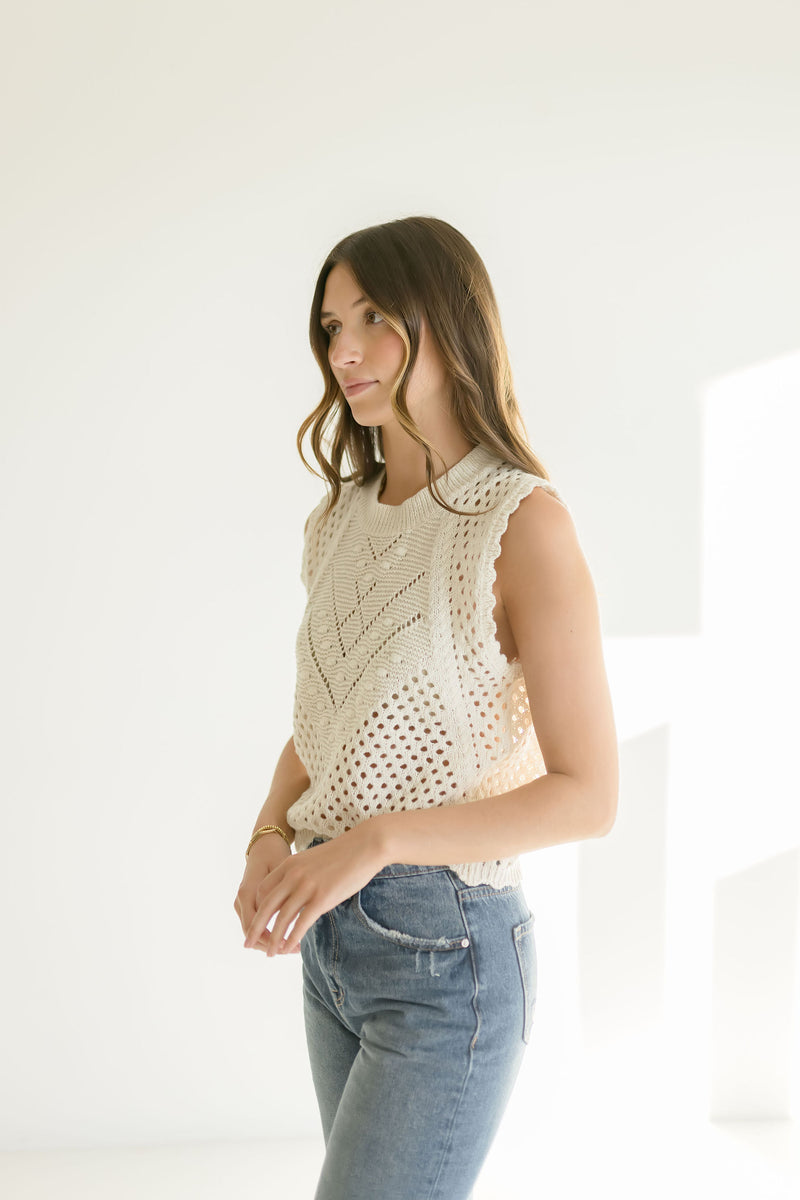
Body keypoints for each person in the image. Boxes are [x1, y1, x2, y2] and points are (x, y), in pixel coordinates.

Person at [233, 215, 619, 1200]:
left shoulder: (520, 521)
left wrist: (375, 843)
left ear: (448, 323)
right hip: (330, 942)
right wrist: (269, 832)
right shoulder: (338, 520)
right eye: (331, 326)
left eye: (373, 317)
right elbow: (328, 725)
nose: (344, 350)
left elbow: (588, 796)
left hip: (448, 956)